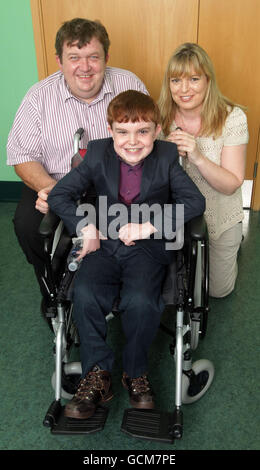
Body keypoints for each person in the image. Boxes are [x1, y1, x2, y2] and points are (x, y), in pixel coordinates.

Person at [47, 90, 205, 418]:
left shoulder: (165, 157)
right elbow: (61, 194)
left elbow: (194, 202)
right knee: (87, 293)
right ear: (110, 130)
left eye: (142, 131)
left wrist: (149, 226)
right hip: (103, 244)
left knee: (143, 301)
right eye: (122, 132)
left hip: (147, 248)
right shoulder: (96, 154)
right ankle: (97, 374)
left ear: (157, 130)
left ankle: (135, 372)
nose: (132, 141)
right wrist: (85, 226)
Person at [6, 18, 148, 303]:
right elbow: (22, 156)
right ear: (59, 61)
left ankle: (115, 287)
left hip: (117, 185)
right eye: (74, 58)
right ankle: (55, 287)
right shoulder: (38, 97)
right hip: (56, 182)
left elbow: (149, 140)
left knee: (137, 225)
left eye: (93, 57)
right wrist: (52, 190)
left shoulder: (129, 84)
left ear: (106, 57)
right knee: (27, 224)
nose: (85, 68)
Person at [158, 43, 249, 298]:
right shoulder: (160, 116)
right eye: (176, 80)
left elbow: (231, 183)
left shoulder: (232, 118)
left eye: (194, 79)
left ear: (208, 80)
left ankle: (233, 243)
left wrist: (197, 156)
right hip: (176, 215)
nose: (184, 89)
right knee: (174, 283)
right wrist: (163, 153)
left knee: (217, 290)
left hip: (218, 215)